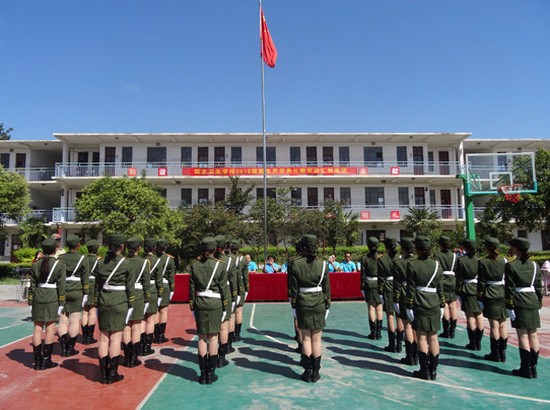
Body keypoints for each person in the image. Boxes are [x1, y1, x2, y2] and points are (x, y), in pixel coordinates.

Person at [288, 234, 330, 383]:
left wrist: (293, 305)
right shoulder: (323, 264)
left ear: (303, 246)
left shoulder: (294, 264)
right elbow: (326, 287)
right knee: (317, 339)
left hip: (302, 301)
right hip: (319, 301)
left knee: (306, 338)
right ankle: (316, 372)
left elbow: (292, 289)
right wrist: (328, 304)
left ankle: (307, 372)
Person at [94, 233, 135, 384]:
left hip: (104, 302)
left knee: (104, 338)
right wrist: (131, 303)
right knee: (116, 338)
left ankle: (104, 374)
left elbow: (97, 286)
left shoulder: (100, 263)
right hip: (120, 302)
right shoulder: (127, 263)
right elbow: (130, 288)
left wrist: (97, 301)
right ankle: (113, 373)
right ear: (122, 246)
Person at [405, 235, 444, 381]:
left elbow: (411, 288)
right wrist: (442, 303)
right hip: (434, 302)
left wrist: (409, 305)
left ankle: (424, 370)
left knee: (421, 336)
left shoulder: (412, 264)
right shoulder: (436, 265)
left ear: (417, 249)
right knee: (433, 337)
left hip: (420, 301)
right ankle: (433, 371)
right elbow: (440, 287)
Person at [189, 237, 226, 384]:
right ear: (214, 249)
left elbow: (191, 288)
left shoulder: (195, 265)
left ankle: (203, 373)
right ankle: (211, 373)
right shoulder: (220, 266)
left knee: (202, 337)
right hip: (215, 303)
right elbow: (224, 289)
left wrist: (192, 305)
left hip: (200, 302)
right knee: (214, 337)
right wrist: (225, 306)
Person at [505, 237, 543, 379]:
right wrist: (538, 302)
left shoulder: (511, 265)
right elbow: (538, 286)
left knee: (523, 335)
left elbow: (509, 288)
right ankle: (533, 368)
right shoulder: (534, 265)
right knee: (533, 335)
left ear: (516, 249)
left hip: (519, 301)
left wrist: (509, 305)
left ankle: (525, 368)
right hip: (532, 300)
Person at [28, 238, 66, 370]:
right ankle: (46, 360)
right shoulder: (59, 265)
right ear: (55, 250)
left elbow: (32, 285)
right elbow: (61, 286)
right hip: (52, 297)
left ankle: (37, 361)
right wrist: (62, 302)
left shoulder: (35, 265)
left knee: (37, 328)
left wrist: (31, 300)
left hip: (38, 295)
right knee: (50, 327)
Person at [477, 237, 508, 362]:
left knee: (494, 326)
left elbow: (482, 281)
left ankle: (495, 353)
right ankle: (503, 353)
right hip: (502, 292)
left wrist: (479, 296)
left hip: (490, 293)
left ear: (487, 248)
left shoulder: (483, 262)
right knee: (503, 324)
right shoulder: (504, 261)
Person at [58, 234, 89, 357]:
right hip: (76, 290)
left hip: (62, 290)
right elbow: (85, 278)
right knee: (74, 320)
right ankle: (71, 348)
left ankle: (64, 348)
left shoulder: (60, 258)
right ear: (78, 245)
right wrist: (86, 293)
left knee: (63, 320)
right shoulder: (83, 258)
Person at [122, 237, 150, 367]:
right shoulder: (144, 263)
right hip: (138, 294)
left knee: (126, 326)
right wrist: (147, 298)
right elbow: (146, 282)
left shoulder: (123, 261)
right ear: (139, 248)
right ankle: (134, 357)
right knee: (136, 326)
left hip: (124, 294)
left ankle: (127, 356)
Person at [393, 237, 417, 365]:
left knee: (407, 325)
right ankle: (417, 355)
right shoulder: (417, 261)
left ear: (403, 249)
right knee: (417, 328)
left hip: (404, 293)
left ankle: (410, 357)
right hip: (417, 294)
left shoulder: (399, 263)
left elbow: (396, 284)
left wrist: (395, 299)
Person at [456, 239, 484, 351]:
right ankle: (479, 342)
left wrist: (457, 290)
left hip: (467, 289)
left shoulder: (461, 260)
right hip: (477, 288)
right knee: (479, 315)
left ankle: (473, 343)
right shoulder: (480, 260)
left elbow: (459, 277)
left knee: (470, 316)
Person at [378, 238, 401, 352]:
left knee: (390, 316)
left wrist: (380, 291)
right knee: (400, 316)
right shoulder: (400, 258)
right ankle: (400, 344)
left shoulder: (382, 259)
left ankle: (392, 344)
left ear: (386, 247)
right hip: (399, 287)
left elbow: (381, 278)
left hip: (388, 286)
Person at [435, 236, 459, 339]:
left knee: (444, 305)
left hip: (443, 280)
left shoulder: (438, 255)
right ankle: (453, 331)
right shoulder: (454, 256)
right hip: (452, 280)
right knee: (453, 305)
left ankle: (447, 331)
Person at [142, 238, 162, 356]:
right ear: (154, 248)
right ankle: (147, 347)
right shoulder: (157, 261)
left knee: (142, 319)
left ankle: (140, 345)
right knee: (150, 319)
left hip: (140, 290)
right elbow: (159, 280)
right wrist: (160, 292)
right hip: (153, 290)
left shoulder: (141, 260)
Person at [214, 235, 232, 367]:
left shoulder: (204, 261)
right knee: (224, 325)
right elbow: (233, 279)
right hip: (225, 292)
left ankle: (213, 357)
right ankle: (221, 357)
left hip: (210, 295)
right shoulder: (230, 260)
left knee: (211, 332)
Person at [361, 237, 383, 340]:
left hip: (369, 283)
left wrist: (362, 286)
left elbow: (363, 274)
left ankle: (373, 332)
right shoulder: (381, 257)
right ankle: (379, 332)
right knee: (379, 308)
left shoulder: (365, 258)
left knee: (371, 308)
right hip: (379, 283)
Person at [155, 239, 175, 344]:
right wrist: (172, 288)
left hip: (153, 285)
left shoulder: (151, 258)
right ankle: (160, 336)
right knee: (163, 310)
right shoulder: (169, 259)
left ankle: (154, 334)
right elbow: (171, 276)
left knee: (155, 311)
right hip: (165, 285)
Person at [81, 239, 101, 345]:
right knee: (92, 311)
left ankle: (84, 336)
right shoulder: (99, 260)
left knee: (84, 311)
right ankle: (89, 336)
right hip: (94, 284)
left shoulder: (83, 259)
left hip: (83, 283)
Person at [232, 239, 248, 342]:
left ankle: (229, 335)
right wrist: (247, 288)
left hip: (228, 286)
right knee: (238, 311)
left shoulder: (225, 259)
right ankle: (237, 334)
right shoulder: (242, 259)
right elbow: (245, 275)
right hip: (239, 286)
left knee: (230, 312)